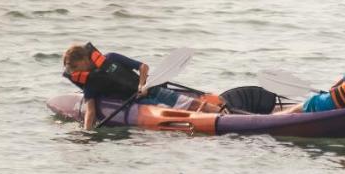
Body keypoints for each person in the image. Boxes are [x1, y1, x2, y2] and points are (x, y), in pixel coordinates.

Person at [62, 42, 224, 129]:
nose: (74, 72)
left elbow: (143, 67)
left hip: (151, 88)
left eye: (75, 67)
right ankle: (220, 120)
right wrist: (88, 132)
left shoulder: (111, 58)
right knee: (179, 110)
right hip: (137, 103)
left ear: (84, 60)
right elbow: (91, 110)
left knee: (194, 104)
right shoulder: (91, 82)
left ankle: (224, 112)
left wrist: (142, 84)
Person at [278, 58, 345, 114]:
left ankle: (272, 118)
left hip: (320, 104)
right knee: (296, 109)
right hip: (343, 115)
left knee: (290, 112)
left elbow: (332, 88)